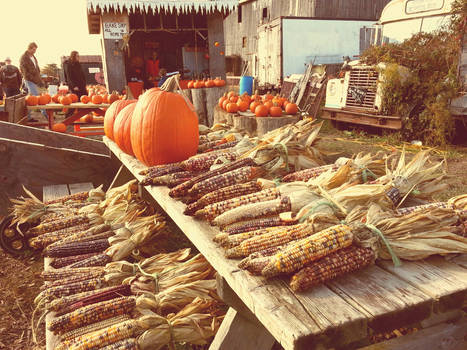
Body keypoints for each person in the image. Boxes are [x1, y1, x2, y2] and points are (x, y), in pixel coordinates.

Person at [20, 42, 46, 121]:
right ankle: (45, 114)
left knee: (34, 97)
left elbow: (36, 69)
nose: (35, 51)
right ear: (29, 48)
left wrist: (39, 80)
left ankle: (28, 117)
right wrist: (32, 79)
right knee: (35, 96)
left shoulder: (33, 57)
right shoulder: (24, 58)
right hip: (29, 79)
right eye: (33, 49)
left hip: (36, 79)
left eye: (35, 49)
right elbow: (24, 71)